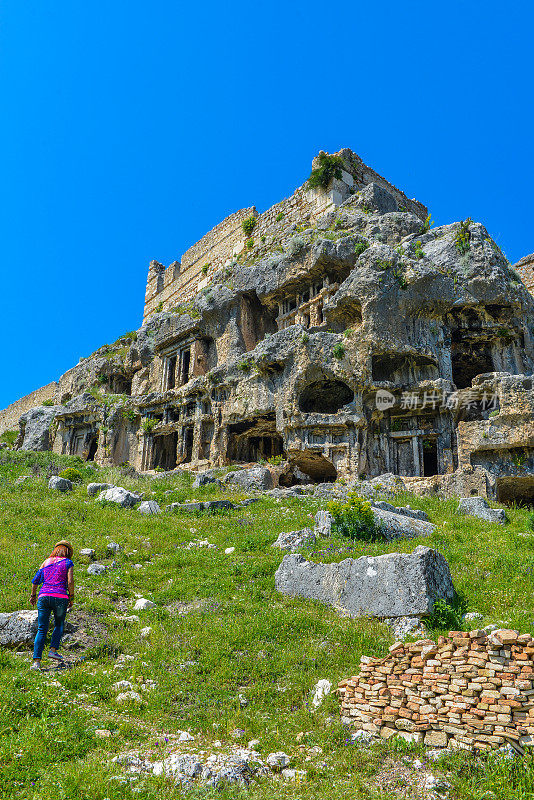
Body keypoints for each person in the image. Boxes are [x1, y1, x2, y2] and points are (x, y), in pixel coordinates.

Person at [30, 540, 75, 671]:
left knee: (42, 629)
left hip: (43, 597)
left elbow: (35, 581)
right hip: (60, 597)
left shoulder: (45, 562)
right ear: (68, 552)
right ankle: (53, 650)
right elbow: (70, 581)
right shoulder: (68, 563)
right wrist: (71, 597)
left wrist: (33, 596)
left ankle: (36, 662)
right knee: (59, 624)